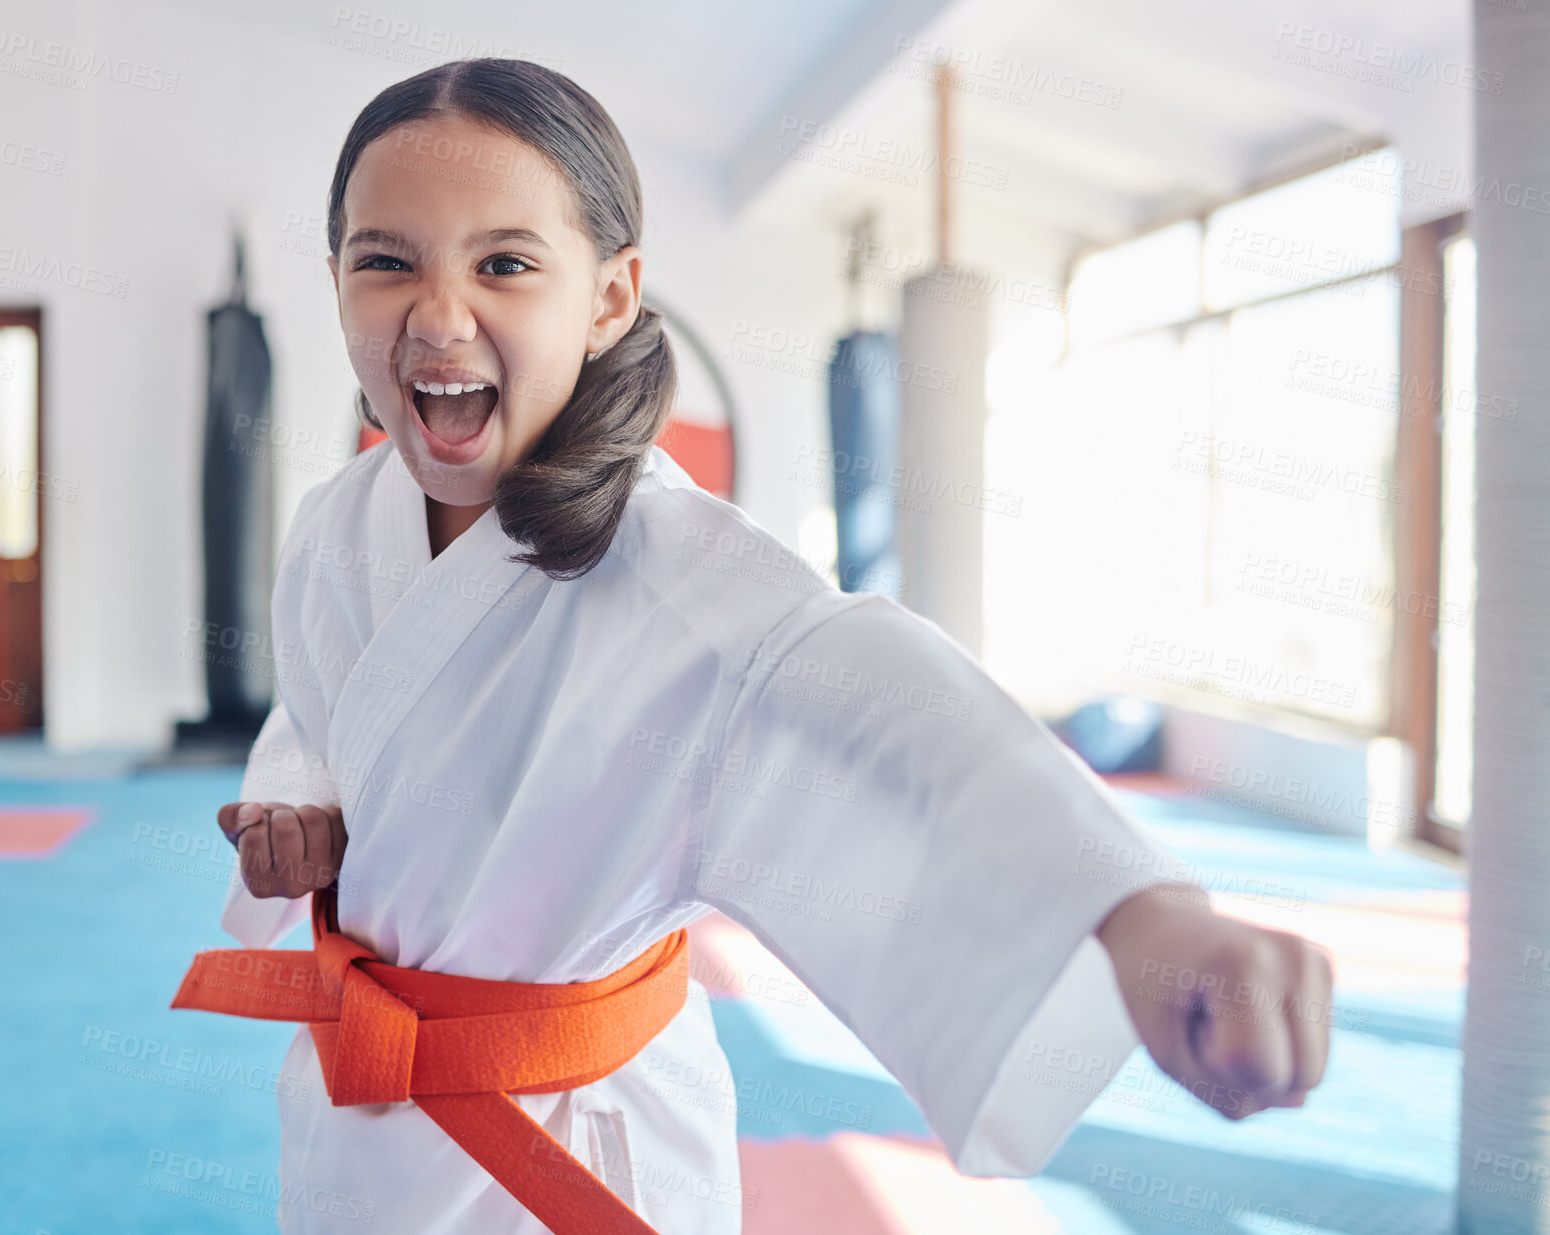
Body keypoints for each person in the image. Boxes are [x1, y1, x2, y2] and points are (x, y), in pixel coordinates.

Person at [194, 58, 1332, 1234]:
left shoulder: (670, 563)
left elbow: (885, 696)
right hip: (357, 1117)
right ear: (335, 281)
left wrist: (1140, 911)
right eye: (386, 260)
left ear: (609, 296)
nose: (438, 314)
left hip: (574, 1141)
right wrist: (299, 797)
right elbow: (323, 715)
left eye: (506, 264)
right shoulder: (340, 520)